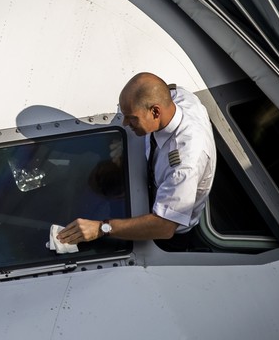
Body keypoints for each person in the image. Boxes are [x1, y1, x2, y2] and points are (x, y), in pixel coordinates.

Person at [57, 72, 215, 248]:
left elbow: (165, 226)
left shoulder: (184, 163)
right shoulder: (179, 97)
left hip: (167, 238)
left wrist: (102, 228)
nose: (125, 123)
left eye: (132, 118)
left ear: (155, 112)